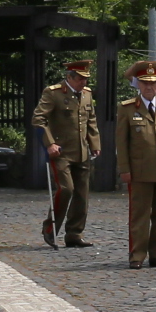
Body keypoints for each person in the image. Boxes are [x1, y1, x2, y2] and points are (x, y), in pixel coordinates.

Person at [116, 60, 156, 269]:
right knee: (140, 216)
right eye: (144, 82)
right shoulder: (127, 109)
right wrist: (124, 169)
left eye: (153, 82)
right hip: (140, 170)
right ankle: (137, 255)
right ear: (138, 84)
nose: (149, 87)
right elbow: (122, 142)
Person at [35, 56, 100, 247]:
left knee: (82, 194)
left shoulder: (87, 94)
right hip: (61, 151)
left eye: (85, 79)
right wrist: (49, 143)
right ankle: (50, 229)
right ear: (70, 77)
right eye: (80, 78)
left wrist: (95, 143)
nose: (84, 82)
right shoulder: (53, 93)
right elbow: (38, 119)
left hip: (82, 151)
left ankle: (74, 233)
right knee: (66, 189)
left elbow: (91, 121)